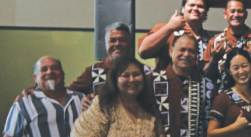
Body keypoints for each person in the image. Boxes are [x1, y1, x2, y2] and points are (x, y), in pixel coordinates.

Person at [15, 23, 153, 110]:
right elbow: (64, 93)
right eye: (112, 40)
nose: (117, 44)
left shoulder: (145, 72)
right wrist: (36, 89)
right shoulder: (93, 72)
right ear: (105, 44)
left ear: (130, 43)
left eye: (123, 40)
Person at [202, 0, 251, 90]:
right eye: (232, 11)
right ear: (225, 14)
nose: (236, 15)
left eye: (240, 11)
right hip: (223, 99)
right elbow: (205, 77)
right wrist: (214, 60)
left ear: (246, 15)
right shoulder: (215, 42)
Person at [138, 0, 212, 71]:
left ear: (206, 13)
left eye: (200, 6)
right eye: (192, 5)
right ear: (183, 9)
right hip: (169, 82)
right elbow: (143, 52)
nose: (195, 8)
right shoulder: (166, 28)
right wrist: (169, 28)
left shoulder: (210, 38)